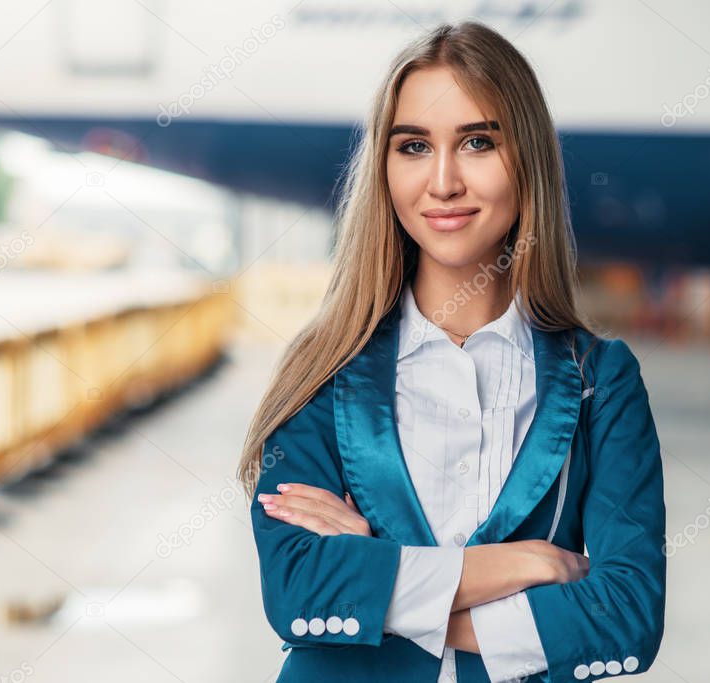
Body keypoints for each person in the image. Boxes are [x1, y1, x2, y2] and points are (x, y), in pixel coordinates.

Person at [237, 20, 666, 683]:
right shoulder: (323, 366)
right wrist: (523, 566)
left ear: (527, 161)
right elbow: (299, 587)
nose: (441, 181)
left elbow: (626, 614)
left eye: (475, 142)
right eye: (412, 145)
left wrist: (384, 588)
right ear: (384, 167)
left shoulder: (599, 380)